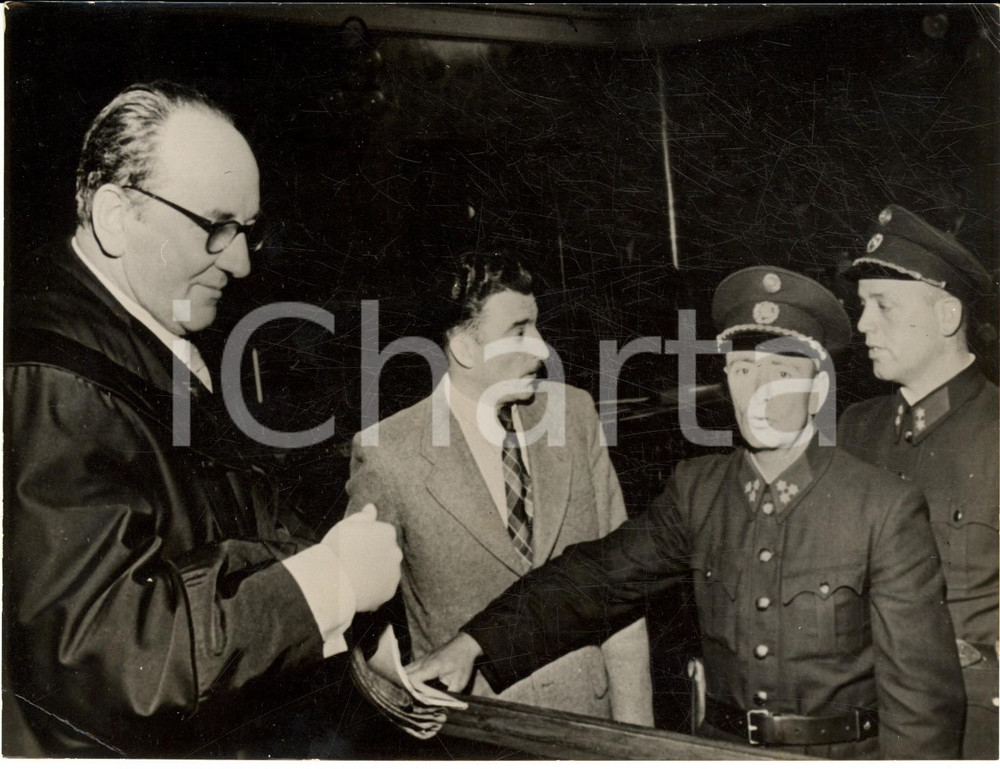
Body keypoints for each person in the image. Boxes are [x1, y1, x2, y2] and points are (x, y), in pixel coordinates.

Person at [407, 266, 966, 759]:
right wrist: (473, 643)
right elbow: (593, 576)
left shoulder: (881, 508)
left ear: (818, 391)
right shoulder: (700, 492)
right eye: (744, 370)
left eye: (781, 373)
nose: (759, 393)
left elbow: (923, 711)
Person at [3, 81, 401, 758]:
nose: (242, 261)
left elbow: (222, 519)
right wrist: (330, 584)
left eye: (247, 230)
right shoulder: (54, 382)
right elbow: (113, 657)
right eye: (216, 225)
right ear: (115, 213)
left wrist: (355, 625)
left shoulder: (149, 344)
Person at [344, 250, 654, 725]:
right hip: (476, 736)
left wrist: (636, 742)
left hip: (593, 725)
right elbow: (356, 622)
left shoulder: (573, 416)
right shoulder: (388, 454)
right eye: (519, 331)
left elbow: (620, 590)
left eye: (537, 326)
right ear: (465, 349)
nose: (542, 347)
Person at [838, 204, 999, 759]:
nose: (863, 325)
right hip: (858, 726)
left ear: (947, 315)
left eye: (883, 305)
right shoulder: (853, 429)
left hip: (970, 733)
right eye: (862, 307)